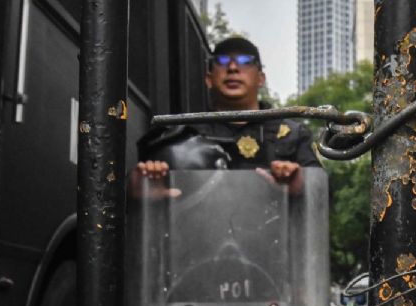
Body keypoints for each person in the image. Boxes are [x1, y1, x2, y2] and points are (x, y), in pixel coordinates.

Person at [135, 36, 320, 196]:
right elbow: (137, 197)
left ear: (261, 79)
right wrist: (143, 188)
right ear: (209, 79)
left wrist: (299, 183)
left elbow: (321, 196)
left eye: (245, 61)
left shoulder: (293, 135)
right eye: (222, 61)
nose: (232, 68)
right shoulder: (182, 135)